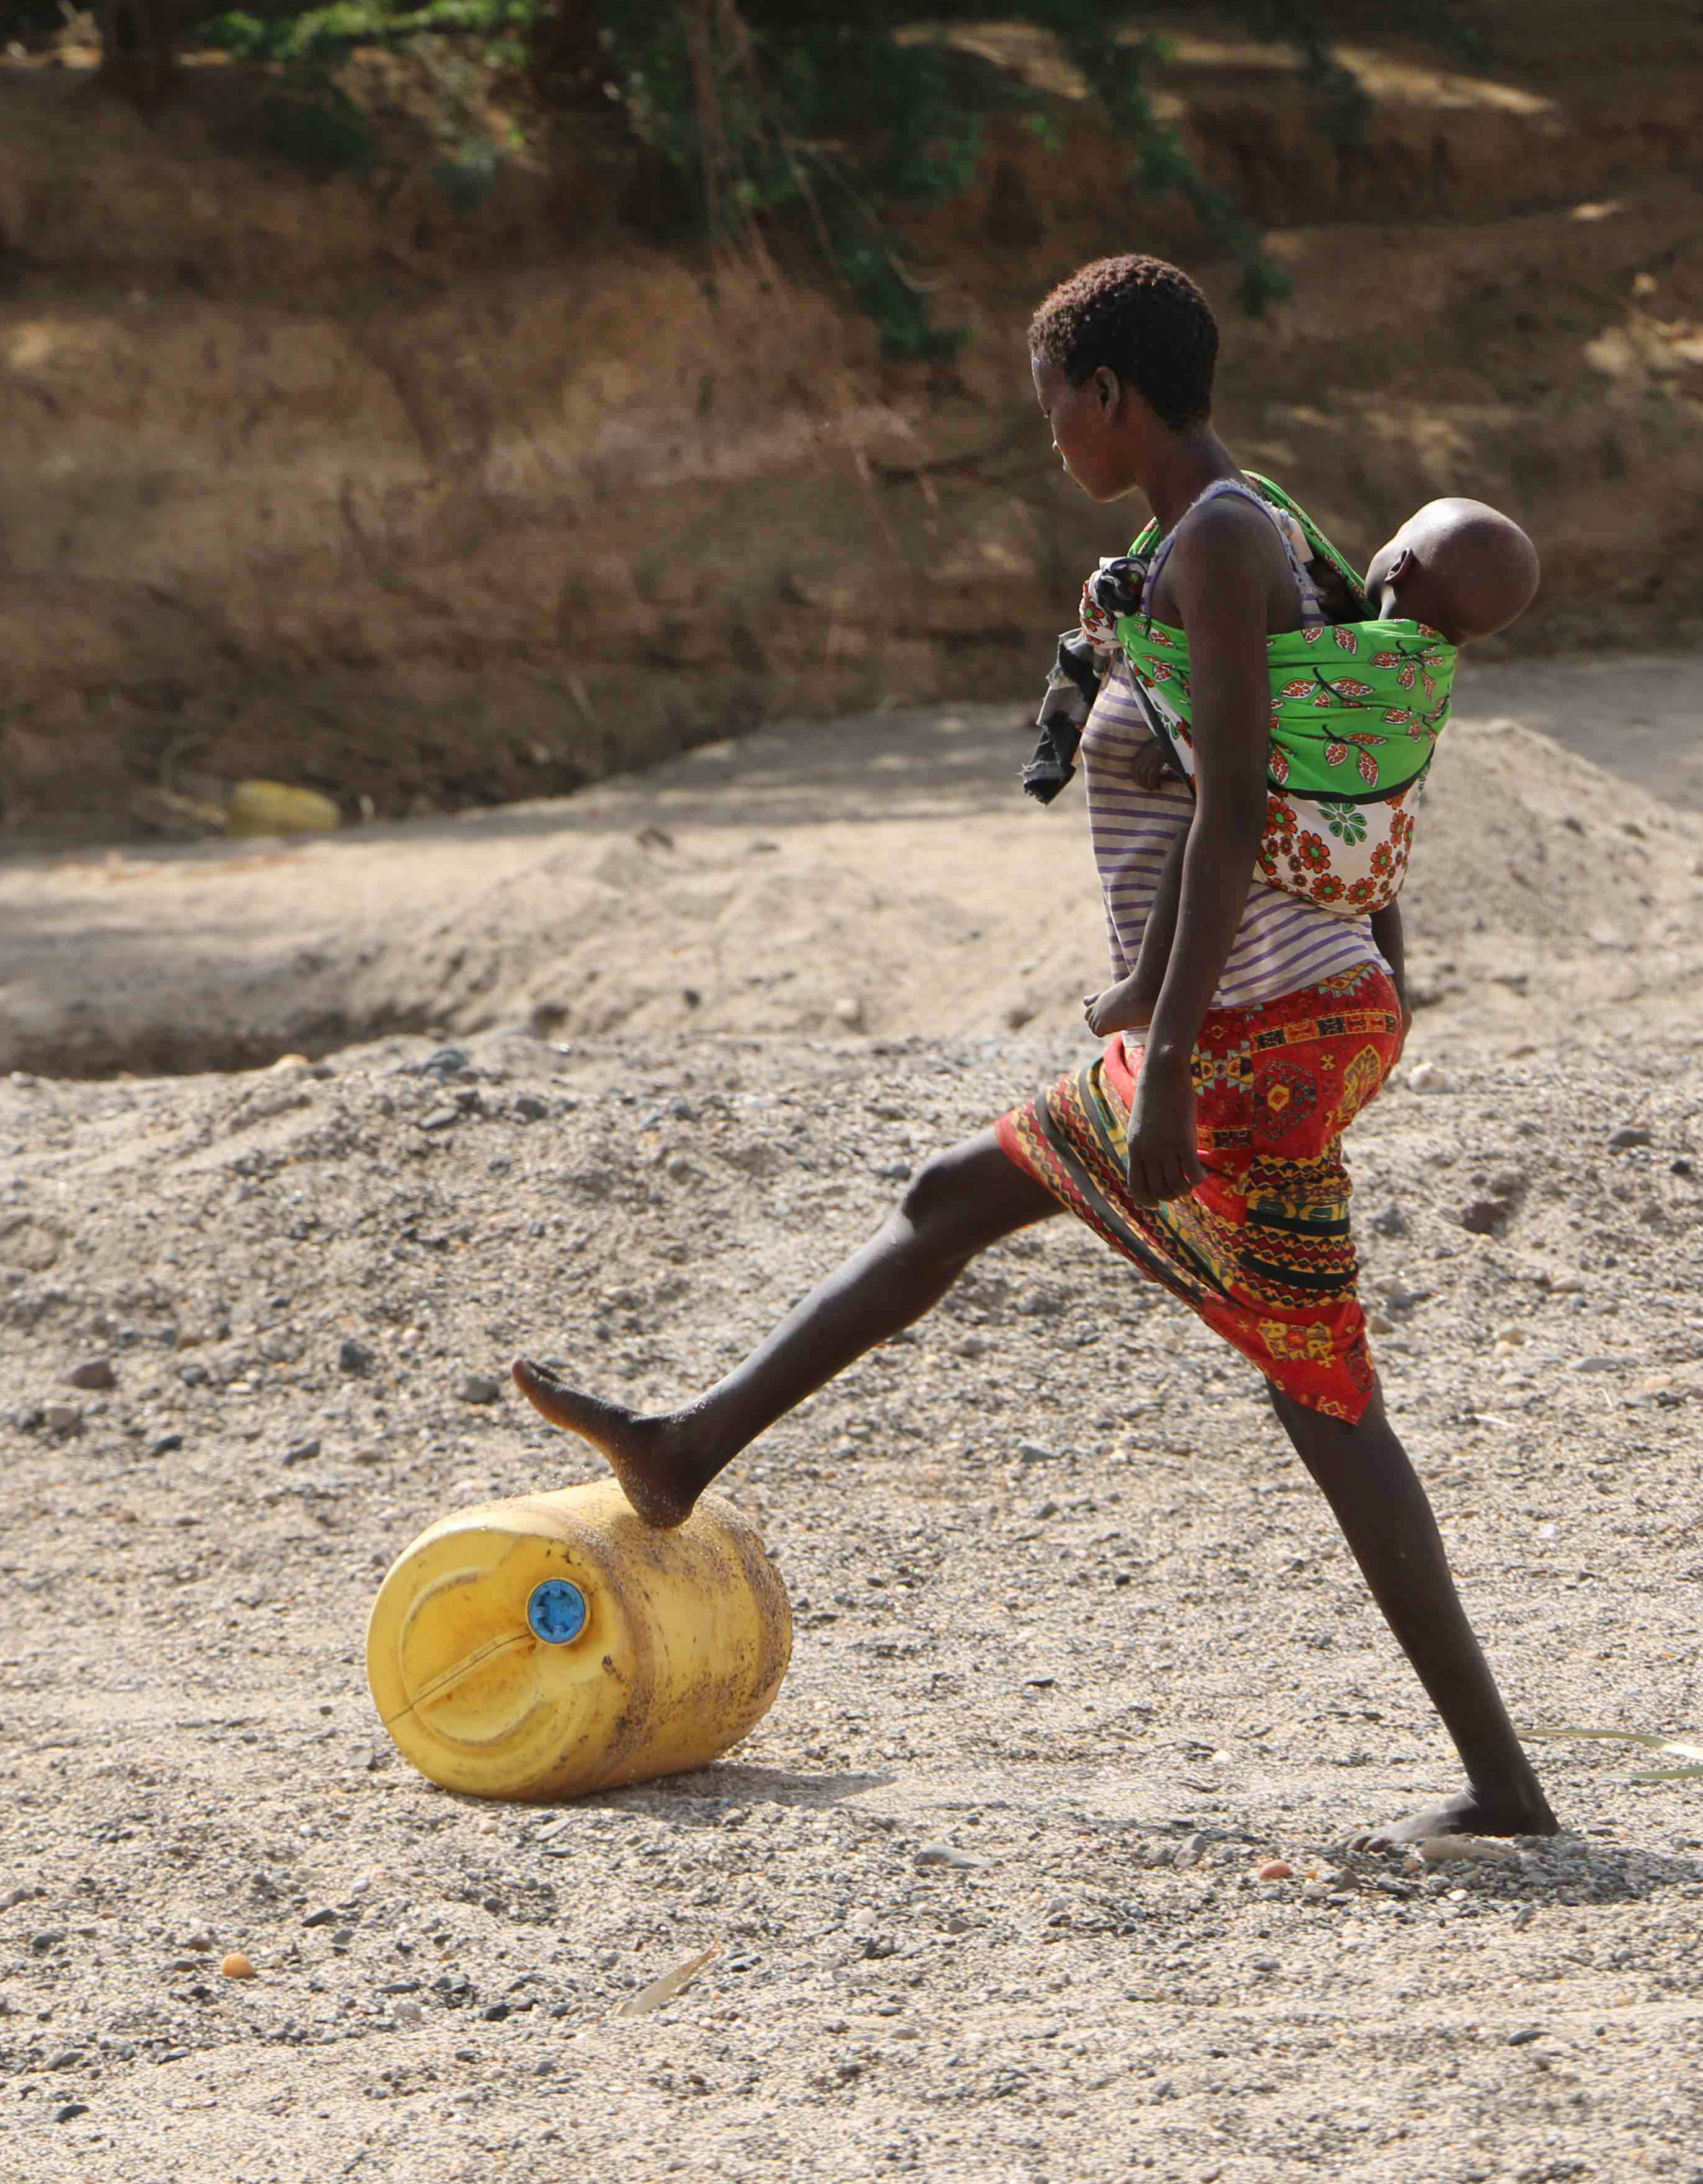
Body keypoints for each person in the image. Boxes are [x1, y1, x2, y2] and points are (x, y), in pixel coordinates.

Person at [512, 254, 1559, 1844]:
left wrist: (1177, 1045)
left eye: (1051, 404)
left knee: (1323, 1392)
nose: (1049, 435)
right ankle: (681, 1447)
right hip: (1287, 1014)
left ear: (1108, 395)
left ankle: (1501, 1785)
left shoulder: (1221, 537)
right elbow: (1332, 781)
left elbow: (1229, 817)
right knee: (960, 1197)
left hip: (1251, 1034)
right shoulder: (1227, 531)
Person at [1084, 493, 1539, 1041]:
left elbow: (1265, 703)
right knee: (1379, 860)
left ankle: (1147, 984)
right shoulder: (1428, 670)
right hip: (1376, 866)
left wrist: (1182, 735)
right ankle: (1398, 990)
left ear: (1400, 565)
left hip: (1306, 843)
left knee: (1204, 833)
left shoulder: (1354, 650)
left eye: (1396, 533)